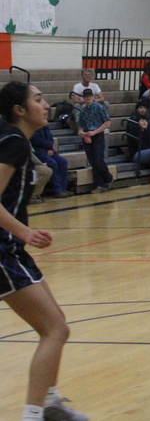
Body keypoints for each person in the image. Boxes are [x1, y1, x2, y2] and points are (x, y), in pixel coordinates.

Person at [0, 82, 89, 421]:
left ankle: (49, 405)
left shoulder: (18, 142)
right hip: (3, 250)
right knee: (56, 330)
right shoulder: (13, 144)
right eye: (37, 99)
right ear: (19, 110)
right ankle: (34, 415)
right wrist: (24, 231)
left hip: (12, 249)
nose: (46, 104)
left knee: (57, 325)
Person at [76, 88, 112, 193]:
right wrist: (81, 132)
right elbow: (80, 125)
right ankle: (100, 184)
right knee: (92, 161)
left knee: (98, 160)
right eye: (85, 96)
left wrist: (95, 132)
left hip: (97, 135)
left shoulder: (100, 108)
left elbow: (107, 123)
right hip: (87, 136)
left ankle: (108, 178)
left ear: (93, 97)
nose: (87, 98)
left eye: (89, 96)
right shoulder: (82, 110)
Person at [30, 125, 69, 199]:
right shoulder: (32, 125)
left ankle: (63, 188)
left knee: (63, 162)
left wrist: (50, 147)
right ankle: (57, 190)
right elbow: (35, 140)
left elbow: (50, 137)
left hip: (47, 148)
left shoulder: (45, 125)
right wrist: (49, 146)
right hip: (38, 149)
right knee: (52, 163)